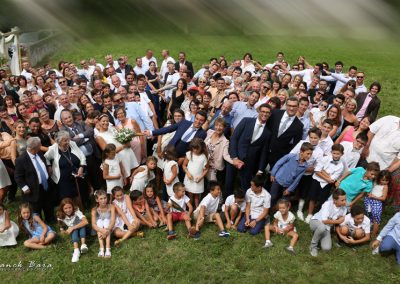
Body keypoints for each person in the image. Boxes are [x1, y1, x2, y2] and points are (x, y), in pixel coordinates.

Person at [226, 104, 272, 196]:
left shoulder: (268, 132)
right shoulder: (246, 121)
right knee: (229, 183)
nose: (265, 114)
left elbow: (264, 152)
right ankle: (226, 204)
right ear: (259, 111)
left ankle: (244, 207)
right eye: (263, 111)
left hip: (249, 164)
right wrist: (234, 157)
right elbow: (234, 138)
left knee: (245, 186)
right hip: (234, 158)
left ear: (270, 114)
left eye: (267, 112)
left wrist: (260, 170)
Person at [15, 137, 55, 222]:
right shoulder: (21, 160)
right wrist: (24, 187)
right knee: (36, 207)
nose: (41, 146)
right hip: (33, 189)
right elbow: (18, 176)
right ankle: (39, 223)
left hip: (46, 185)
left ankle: (51, 219)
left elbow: (45, 161)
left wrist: (48, 166)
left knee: (48, 204)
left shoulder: (39, 153)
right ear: (34, 147)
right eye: (40, 145)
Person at [363, 116, 400, 206]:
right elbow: (371, 131)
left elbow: (399, 159)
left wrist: (388, 170)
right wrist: (366, 147)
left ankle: (371, 208)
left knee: (375, 190)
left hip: (383, 167)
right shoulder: (389, 119)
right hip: (367, 156)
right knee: (359, 179)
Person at [44, 131, 87, 207]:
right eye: (65, 140)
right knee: (67, 197)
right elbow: (46, 157)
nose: (68, 142)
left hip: (77, 174)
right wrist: (49, 166)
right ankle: (68, 211)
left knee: (79, 192)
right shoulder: (53, 148)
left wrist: (82, 166)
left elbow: (82, 155)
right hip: (63, 177)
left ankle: (80, 208)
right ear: (58, 142)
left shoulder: (72, 144)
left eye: (68, 139)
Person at [305, 144, 345, 223]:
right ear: (331, 152)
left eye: (338, 154)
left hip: (326, 184)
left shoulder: (341, 166)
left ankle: (321, 215)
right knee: (312, 198)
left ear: (342, 154)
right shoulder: (325, 158)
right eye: (334, 153)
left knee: (322, 200)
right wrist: (327, 176)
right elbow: (316, 170)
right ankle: (309, 214)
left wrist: (323, 171)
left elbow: (332, 180)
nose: (336, 155)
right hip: (316, 180)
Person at [269, 142, 314, 207]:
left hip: (288, 185)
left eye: (311, 154)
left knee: (285, 201)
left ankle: (281, 214)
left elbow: (297, 179)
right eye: (308, 154)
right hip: (278, 179)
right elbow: (278, 163)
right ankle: (267, 211)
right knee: (273, 197)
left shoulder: (305, 166)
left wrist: (290, 189)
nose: (309, 156)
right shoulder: (291, 156)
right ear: (301, 152)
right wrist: (273, 174)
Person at [95, 114, 139, 178]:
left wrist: (127, 141)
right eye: (103, 121)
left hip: (128, 152)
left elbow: (123, 136)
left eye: (107, 121)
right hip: (119, 158)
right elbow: (108, 152)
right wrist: (124, 146)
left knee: (134, 173)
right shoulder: (99, 137)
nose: (106, 123)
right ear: (99, 122)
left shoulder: (113, 129)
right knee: (126, 177)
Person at [267, 96, 304, 169]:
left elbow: (295, 145)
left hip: (278, 157)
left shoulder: (299, 125)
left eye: (294, 106)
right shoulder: (275, 113)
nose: (291, 108)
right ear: (286, 105)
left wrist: (285, 157)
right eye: (289, 105)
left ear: (298, 107)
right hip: (264, 150)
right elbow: (266, 128)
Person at [309, 188, 347, 257]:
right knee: (322, 227)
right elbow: (324, 220)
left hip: (327, 227)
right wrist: (337, 221)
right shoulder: (327, 204)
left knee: (327, 248)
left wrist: (339, 222)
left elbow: (341, 221)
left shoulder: (344, 209)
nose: (345, 202)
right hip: (315, 221)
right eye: (342, 200)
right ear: (335, 200)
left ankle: (318, 234)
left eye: (345, 199)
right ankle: (313, 246)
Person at [57, 198, 89, 263]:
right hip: (74, 230)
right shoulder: (60, 215)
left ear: (72, 206)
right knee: (74, 231)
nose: (68, 210)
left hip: (83, 227)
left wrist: (72, 227)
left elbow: (85, 222)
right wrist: (63, 231)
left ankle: (83, 245)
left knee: (78, 227)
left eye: (70, 207)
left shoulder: (76, 211)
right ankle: (76, 250)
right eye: (65, 208)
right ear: (62, 209)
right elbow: (61, 227)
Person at [183, 138, 209, 208]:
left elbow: (206, 169)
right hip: (189, 179)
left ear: (201, 147)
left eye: (197, 149)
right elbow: (184, 165)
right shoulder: (189, 154)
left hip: (198, 179)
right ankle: (190, 208)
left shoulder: (204, 157)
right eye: (193, 148)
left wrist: (201, 177)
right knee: (190, 194)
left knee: (197, 195)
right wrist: (187, 173)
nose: (195, 150)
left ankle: (197, 209)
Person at [365, 170, 390, 237]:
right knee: (369, 214)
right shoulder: (375, 182)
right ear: (379, 178)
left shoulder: (385, 187)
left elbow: (383, 198)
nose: (384, 182)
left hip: (377, 202)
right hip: (369, 200)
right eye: (383, 180)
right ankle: (369, 228)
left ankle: (373, 234)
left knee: (376, 218)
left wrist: (374, 197)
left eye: (386, 180)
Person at [91, 190, 115, 258]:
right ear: (97, 200)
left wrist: (106, 231)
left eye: (105, 198)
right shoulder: (94, 209)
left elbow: (112, 221)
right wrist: (103, 231)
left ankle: (107, 248)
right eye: (101, 199)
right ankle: (101, 248)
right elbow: (93, 224)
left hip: (109, 227)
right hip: (100, 228)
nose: (104, 200)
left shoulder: (111, 206)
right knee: (99, 222)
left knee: (107, 221)